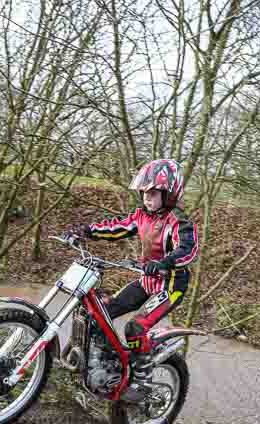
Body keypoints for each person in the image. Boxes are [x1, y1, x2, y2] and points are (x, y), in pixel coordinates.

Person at [64, 159, 198, 403]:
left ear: (168, 194)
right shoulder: (142, 216)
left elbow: (187, 250)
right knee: (99, 313)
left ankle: (141, 379)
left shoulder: (179, 221)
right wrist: (86, 230)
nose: (147, 198)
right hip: (147, 280)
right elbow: (117, 227)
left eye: (153, 193)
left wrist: (164, 263)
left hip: (171, 285)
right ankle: (107, 364)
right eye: (144, 192)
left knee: (135, 328)